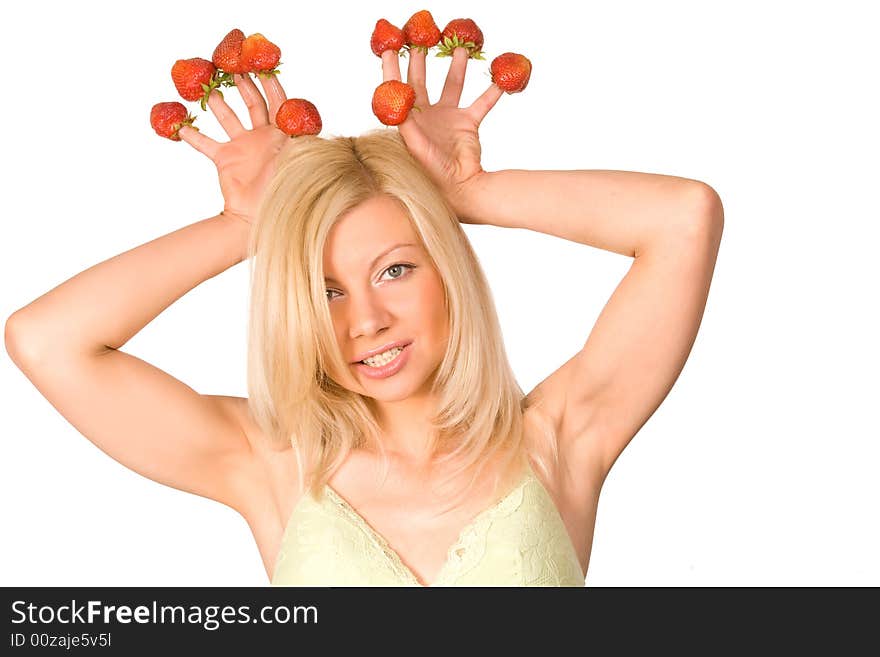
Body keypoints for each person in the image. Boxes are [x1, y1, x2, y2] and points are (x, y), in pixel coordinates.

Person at [4, 45, 723, 587]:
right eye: (326, 290)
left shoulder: (559, 437)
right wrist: (249, 223)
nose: (366, 321)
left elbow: (684, 220)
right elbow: (46, 340)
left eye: (396, 269)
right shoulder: (274, 461)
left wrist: (471, 191)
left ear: (447, 267)